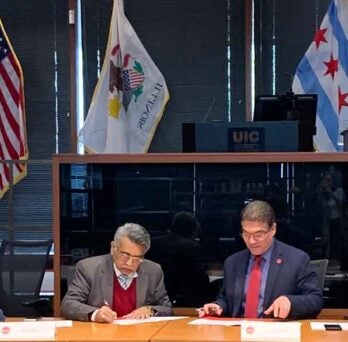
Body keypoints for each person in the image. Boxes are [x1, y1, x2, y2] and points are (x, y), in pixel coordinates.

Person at [199, 200, 323, 320]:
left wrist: (290, 301)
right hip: (238, 332)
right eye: (246, 234)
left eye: (258, 235)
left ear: (273, 229)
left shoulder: (297, 260)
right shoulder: (233, 263)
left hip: (276, 333)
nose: (251, 241)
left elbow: (315, 300)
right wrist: (218, 306)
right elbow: (227, 299)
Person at [61, 223, 172, 322]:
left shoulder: (153, 270)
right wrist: (95, 314)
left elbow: (167, 308)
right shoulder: (89, 268)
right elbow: (68, 305)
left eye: (137, 258)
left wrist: (149, 310)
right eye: (125, 255)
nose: (129, 263)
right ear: (113, 248)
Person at [147, 212, 210, 306]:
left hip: (154, 295)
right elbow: (201, 279)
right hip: (185, 298)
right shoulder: (191, 246)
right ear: (191, 230)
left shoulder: (152, 243)